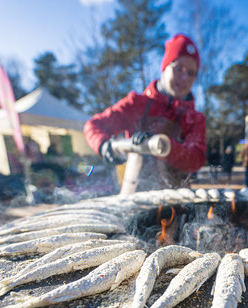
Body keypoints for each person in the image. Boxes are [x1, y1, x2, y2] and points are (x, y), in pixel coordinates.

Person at [84, 33, 206, 192]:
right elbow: (94, 125)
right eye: (178, 69)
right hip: (133, 200)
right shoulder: (137, 104)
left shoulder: (194, 119)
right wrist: (103, 145)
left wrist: (164, 145)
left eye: (191, 73)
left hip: (175, 205)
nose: (184, 78)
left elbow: (196, 159)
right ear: (164, 67)